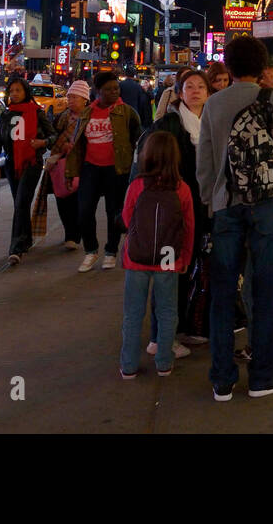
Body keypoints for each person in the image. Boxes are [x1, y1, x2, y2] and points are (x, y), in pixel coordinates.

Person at [197, 35, 273, 400]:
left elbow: (206, 162)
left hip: (225, 205)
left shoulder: (214, 104)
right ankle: (263, 375)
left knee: (222, 292)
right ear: (263, 66)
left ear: (227, 68)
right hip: (267, 203)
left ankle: (222, 380)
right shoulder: (271, 97)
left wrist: (210, 201)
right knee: (264, 288)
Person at [133, 69, 210, 349]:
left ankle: (182, 328)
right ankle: (159, 339)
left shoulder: (212, 122)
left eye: (202, 86)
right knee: (169, 275)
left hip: (202, 207)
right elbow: (144, 161)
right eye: (189, 87)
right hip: (171, 209)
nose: (196, 91)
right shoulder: (168, 124)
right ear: (179, 93)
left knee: (192, 269)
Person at [119, 131, 195, 379]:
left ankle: (128, 365)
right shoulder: (182, 189)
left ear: (146, 156)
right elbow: (189, 227)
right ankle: (164, 362)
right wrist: (184, 256)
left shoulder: (136, 185)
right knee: (167, 311)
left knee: (133, 313)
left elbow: (127, 219)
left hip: (137, 257)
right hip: (167, 257)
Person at [66, 71, 142, 273]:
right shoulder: (86, 114)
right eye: (108, 89)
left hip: (117, 170)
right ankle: (91, 250)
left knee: (114, 212)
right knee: (84, 211)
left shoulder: (127, 112)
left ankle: (111, 251)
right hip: (90, 168)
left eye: (116, 88)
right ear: (97, 91)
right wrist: (72, 172)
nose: (113, 92)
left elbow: (139, 139)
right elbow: (77, 146)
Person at [0, 75, 55, 265]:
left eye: (19, 90)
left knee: (20, 202)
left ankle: (16, 248)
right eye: (12, 91)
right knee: (22, 203)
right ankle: (26, 239)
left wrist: (43, 142)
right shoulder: (6, 114)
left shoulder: (37, 112)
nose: (15, 94)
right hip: (11, 165)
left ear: (26, 92)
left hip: (31, 164)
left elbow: (53, 135)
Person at [47, 79, 90, 250]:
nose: (70, 101)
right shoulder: (61, 117)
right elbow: (51, 139)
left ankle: (76, 234)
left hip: (83, 166)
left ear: (84, 100)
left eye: (74, 97)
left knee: (79, 202)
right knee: (63, 200)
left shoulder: (90, 117)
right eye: (69, 97)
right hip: (63, 165)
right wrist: (61, 145)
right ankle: (69, 234)